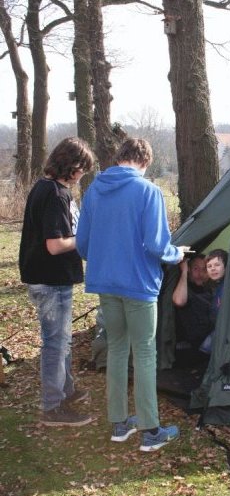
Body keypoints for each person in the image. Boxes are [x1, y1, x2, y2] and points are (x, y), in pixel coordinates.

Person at [76, 138, 191, 452]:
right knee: (144, 353)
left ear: (120, 157)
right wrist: (177, 253)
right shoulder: (148, 191)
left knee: (116, 348)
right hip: (139, 284)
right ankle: (151, 431)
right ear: (145, 162)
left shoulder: (94, 190)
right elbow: (156, 245)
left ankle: (119, 423)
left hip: (105, 283)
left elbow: (83, 245)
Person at [19, 137, 95, 426]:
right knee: (55, 343)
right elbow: (54, 245)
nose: (82, 175)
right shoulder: (54, 194)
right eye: (82, 169)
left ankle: (67, 390)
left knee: (62, 339)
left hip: (50, 277)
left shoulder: (48, 188)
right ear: (72, 166)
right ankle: (53, 406)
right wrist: (84, 238)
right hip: (49, 279)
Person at [172, 253, 212, 361]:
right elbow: (179, 301)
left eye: (204, 269)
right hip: (187, 348)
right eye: (196, 269)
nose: (200, 273)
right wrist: (184, 272)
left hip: (206, 345)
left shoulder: (210, 290)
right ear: (189, 269)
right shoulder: (184, 288)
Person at [199, 248, 228, 354]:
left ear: (226, 266)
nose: (213, 269)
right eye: (209, 266)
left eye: (217, 265)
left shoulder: (227, 286)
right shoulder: (217, 286)